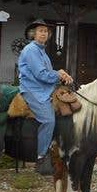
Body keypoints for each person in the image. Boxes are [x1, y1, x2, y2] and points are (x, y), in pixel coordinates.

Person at [18, 19, 73, 175]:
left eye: (45, 31)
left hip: (45, 88)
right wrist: (60, 76)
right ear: (33, 34)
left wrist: (60, 72)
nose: (43, 33)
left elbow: (47, 72)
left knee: (70, 107)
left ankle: (62, 150)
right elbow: (41, 74)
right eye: (40, 31)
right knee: (48, 120)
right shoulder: (31, 50)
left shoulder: (41, 50)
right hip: (32, 89)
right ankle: (41, 157)